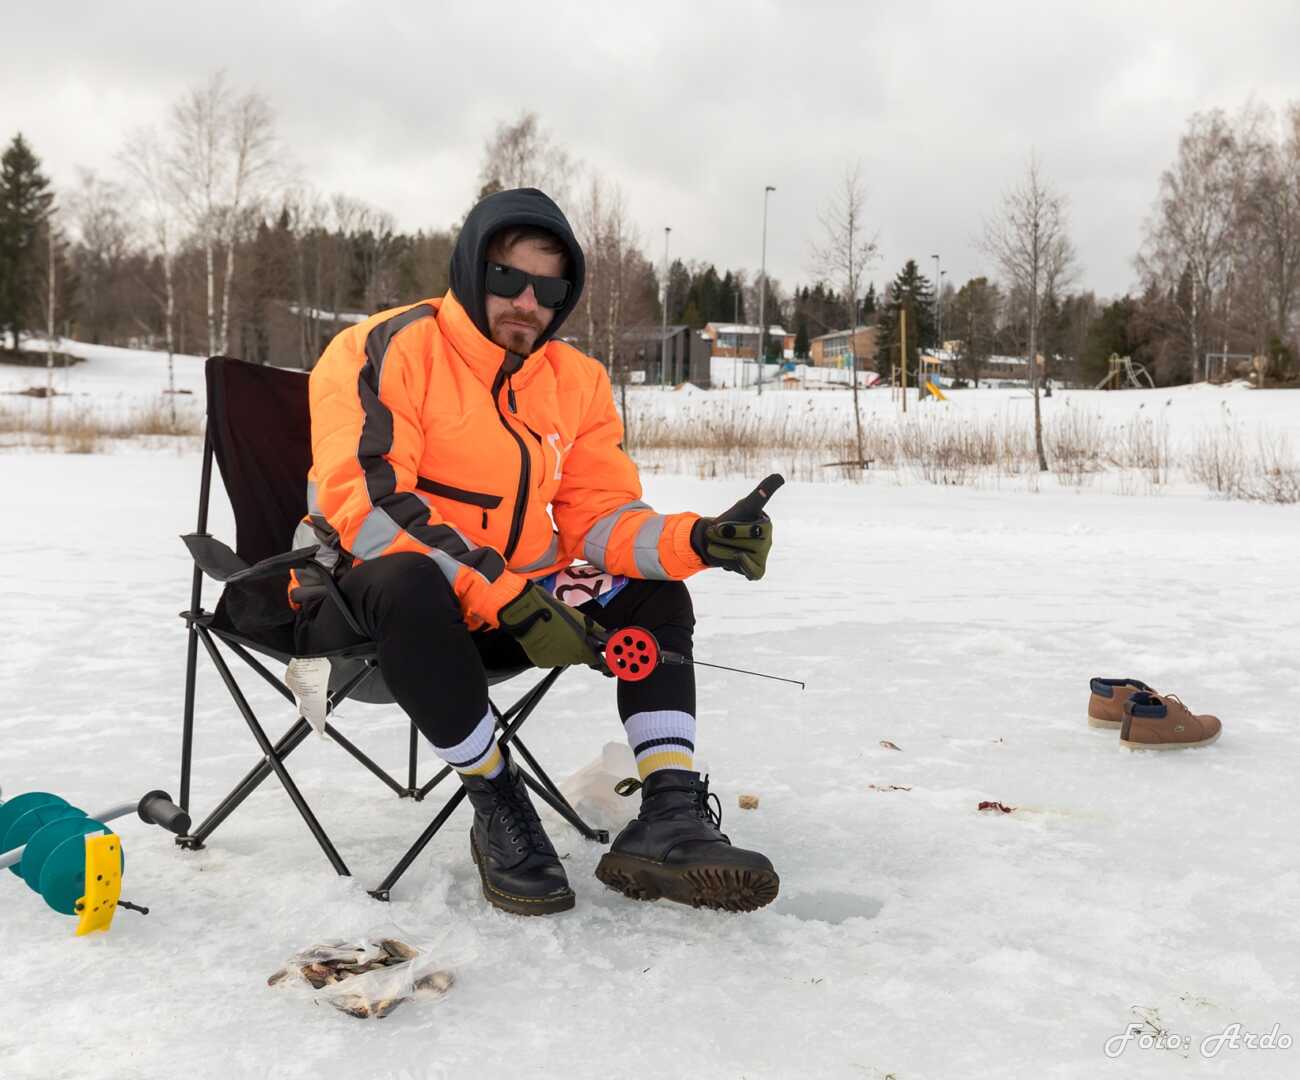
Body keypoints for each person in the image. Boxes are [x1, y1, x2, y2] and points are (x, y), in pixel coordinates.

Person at [291, 187, 778, 916]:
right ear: (468, 269)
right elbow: (367, 507)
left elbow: (597, 519)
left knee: (653, 594)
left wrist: (694, 539)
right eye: (506, 279)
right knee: (408, 578)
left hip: (511, 603)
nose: (527, 302)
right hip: (358, 607)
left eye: (548, 287)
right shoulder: (386, 347)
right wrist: (502, 591)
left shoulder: (576, 382)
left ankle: (669, 814)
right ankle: (497, 802)